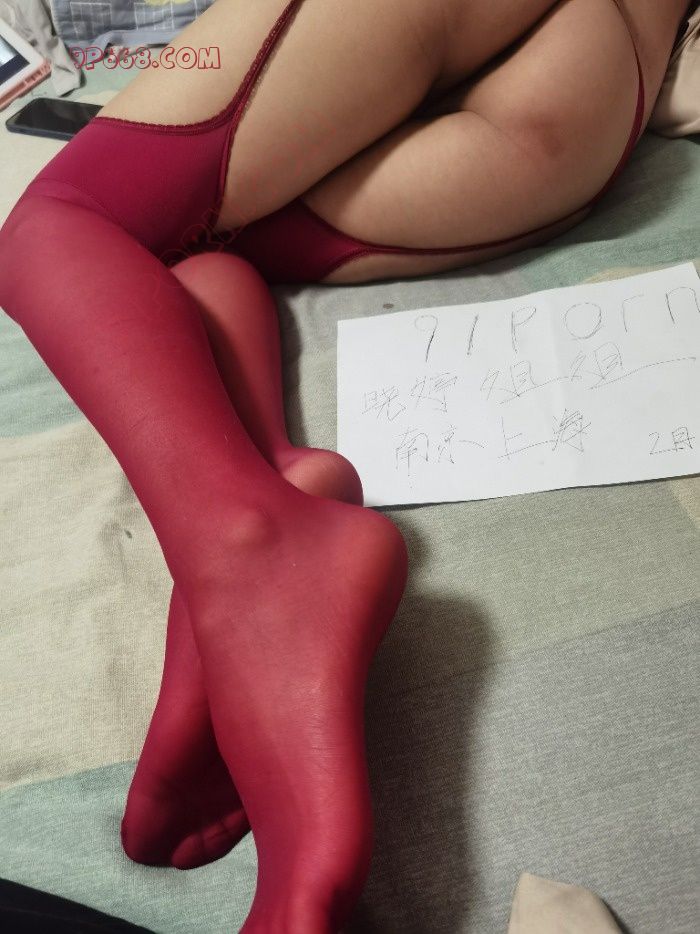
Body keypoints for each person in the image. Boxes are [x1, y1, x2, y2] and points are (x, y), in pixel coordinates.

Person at [0, 1, 692, 930]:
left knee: (62, 218)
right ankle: (270, 487)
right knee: (185, 241)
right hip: (593, 109)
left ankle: (246, 547)